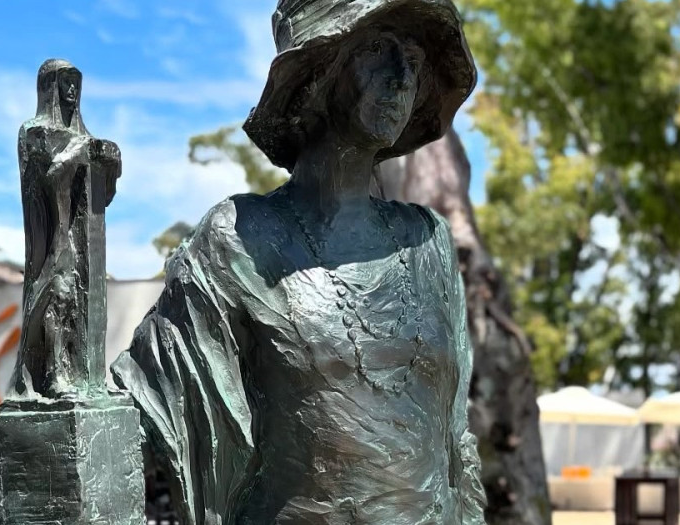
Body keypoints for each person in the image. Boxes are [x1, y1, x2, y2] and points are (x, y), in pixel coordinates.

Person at [111, 0, 486, 523]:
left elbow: (457, 443)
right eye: (378, 50)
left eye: (416, 62)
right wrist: (64, 235)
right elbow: (136, 406)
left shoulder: (427, 241)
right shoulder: (240, 238)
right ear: (318, 69)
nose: (402, 79)